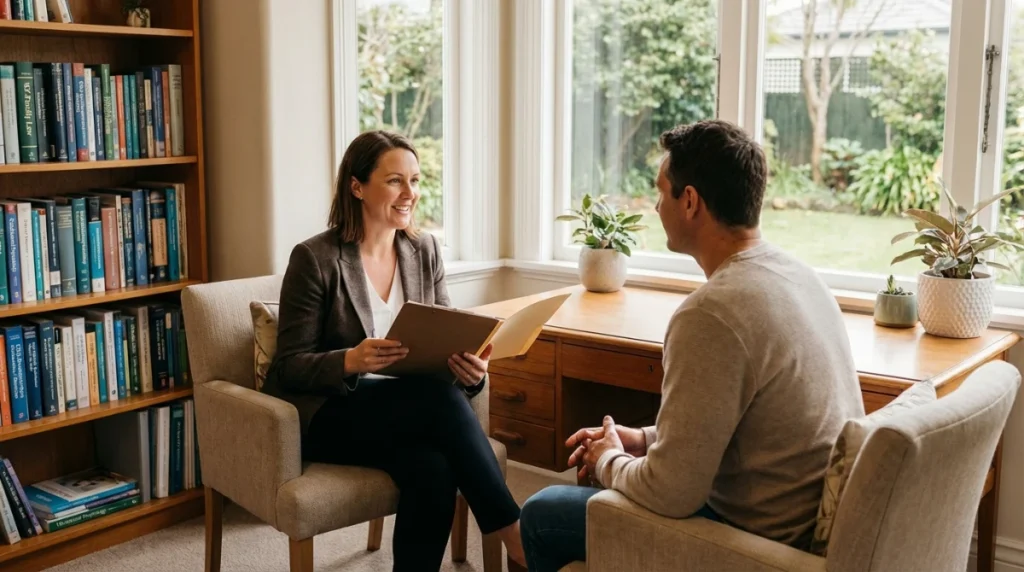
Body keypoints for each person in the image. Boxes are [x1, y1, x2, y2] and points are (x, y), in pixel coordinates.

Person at [518, 119, 866, 571]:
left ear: (690, 201)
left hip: (749, 541)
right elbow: (734, 426)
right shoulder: (800, 276)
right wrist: (641, 440)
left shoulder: (711, 314)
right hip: (790, 517)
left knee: (542, 512)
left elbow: (671, 493)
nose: (656, 206)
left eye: (661, 192)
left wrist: (608, 460)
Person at [262, 130, 525, 571]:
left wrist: (471, 370)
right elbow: (287, 368)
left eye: (416, 181)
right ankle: (515, 537)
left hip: (411, 410)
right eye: (395, 181)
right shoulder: (315, 258)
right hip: (333, 413)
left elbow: (447, 333)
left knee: (434, 468)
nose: (410, 194)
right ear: (357, 186)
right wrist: (350, 360)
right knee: (437, 401)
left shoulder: (424, 250)